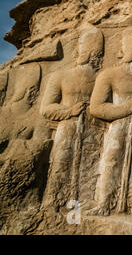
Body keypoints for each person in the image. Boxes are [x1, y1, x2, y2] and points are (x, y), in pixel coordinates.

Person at [86, 26, 132, 216]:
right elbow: (96, 107)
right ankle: (104, 203)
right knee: (111, 162)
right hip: (118, 126)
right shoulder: (109, 75)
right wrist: (124, 108)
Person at [40, 28, 104, 210]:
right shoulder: (60, 76)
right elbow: (46, 108)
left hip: (95, 132)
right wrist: (69, 111)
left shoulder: (101, 79)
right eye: (80, 48)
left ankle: (79, 207)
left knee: (90, 170)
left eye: (84, 48)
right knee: (60, 167)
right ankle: (53, 205)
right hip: (67, 130)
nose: (79, 52)